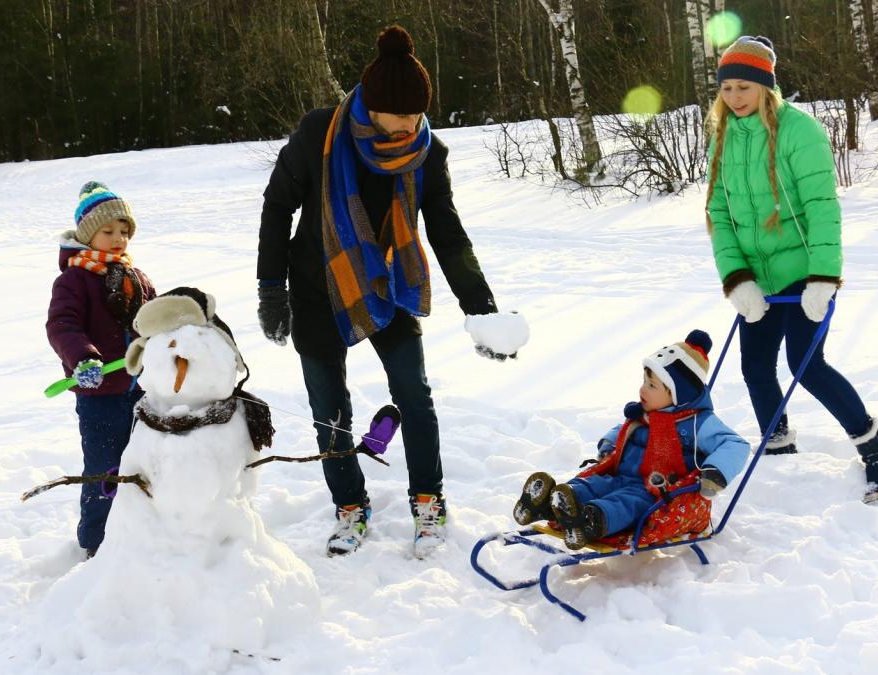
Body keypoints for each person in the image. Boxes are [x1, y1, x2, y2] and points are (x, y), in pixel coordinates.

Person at [256, 25, 523, 558]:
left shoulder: (427, 152)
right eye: (399, 114)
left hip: (389, 285)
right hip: (316, 286)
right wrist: (271, 288)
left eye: (417, 114)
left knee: (414, 396)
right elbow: (276, 207)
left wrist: (481, 309)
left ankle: (429, 499)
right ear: (371, 106)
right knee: (328, 408)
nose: (409, 124)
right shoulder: (318, 135)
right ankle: (349, 507)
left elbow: (447, 232)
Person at [704, 36, 878, 503]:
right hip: (758, 278)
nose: (734, 97)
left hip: (803, 271)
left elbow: (821, 208)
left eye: (744, 87)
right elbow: (718, 211)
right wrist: (737, 279)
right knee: (754, 365)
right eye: (727, 88)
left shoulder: (800, 131)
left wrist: (822, 277)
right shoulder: (722, 134)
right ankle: (777, 445)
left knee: (804, 364)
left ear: (766, 87)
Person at [513, 330, 749, 551]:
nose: (642, 390)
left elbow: (735, 444)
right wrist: (609, 443)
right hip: (620, 475)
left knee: (627, 503)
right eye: (644, 381)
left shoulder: (698, 422)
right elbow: (624, 429)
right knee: (595, 485)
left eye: (652, 385)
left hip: (654, 490)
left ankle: (591, 520)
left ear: (678, 395)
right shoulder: (646, 412)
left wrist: (714, 472)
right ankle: (551, 503)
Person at [46, 181, 156, 558]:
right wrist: (83, 359)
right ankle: (97, 543)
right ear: (88, 235)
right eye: (108, 231)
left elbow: (154, 322)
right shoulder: (74, 280)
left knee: (147, 462)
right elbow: (62, 326)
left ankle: (148, 530)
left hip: (143, 391)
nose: (118, 238)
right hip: (100, 396)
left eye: (124, 231)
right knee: (105, 470)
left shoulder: (137, 277)